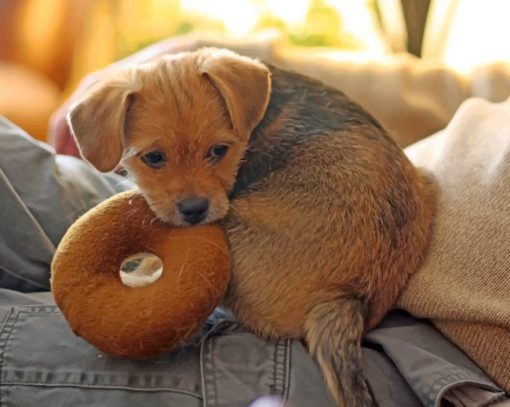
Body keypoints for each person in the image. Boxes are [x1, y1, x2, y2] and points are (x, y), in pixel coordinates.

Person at [0, 37, 507, 407]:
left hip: (377, 333)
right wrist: (213, 52)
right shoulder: (223, 105)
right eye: (154, 159)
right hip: (352, 220)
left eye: (219, 150)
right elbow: (459, 86)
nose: (192, 193)